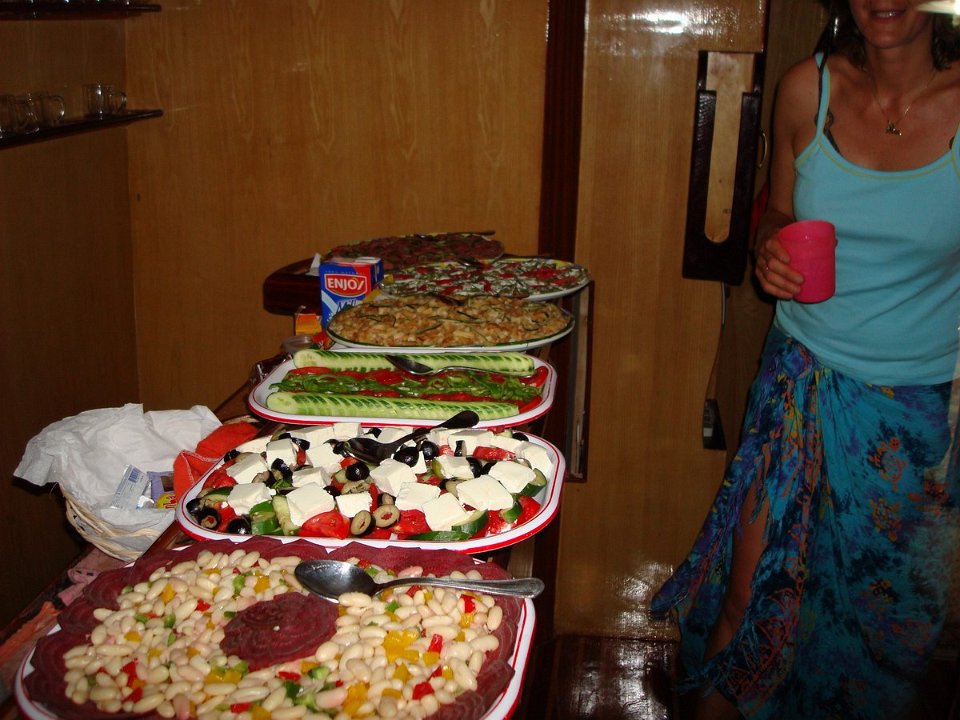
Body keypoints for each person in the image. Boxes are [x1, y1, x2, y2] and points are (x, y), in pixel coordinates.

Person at [651, 2, 960, 718]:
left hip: (914, 412)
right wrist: (770, 243)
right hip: (798, 380)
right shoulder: (806, 87)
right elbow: (780, 210)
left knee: (877, 633)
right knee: (750, 594)